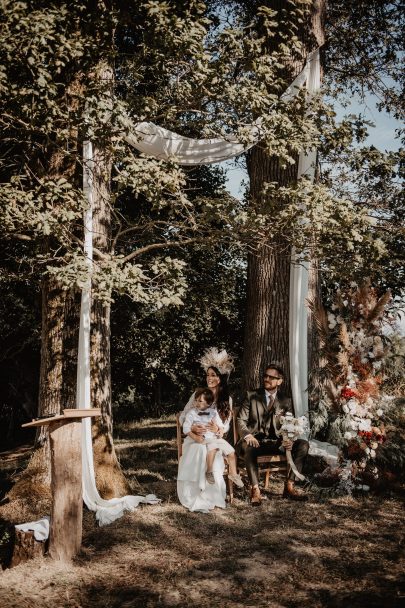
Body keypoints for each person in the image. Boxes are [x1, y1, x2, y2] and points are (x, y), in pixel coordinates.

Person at [236, 363, 309, 505]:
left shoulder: (285, 400)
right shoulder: (251, 396)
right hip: (255, 441)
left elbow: (289, 424)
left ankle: (289, 486)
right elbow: (240, 420)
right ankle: (255, 490)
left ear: (279, 381)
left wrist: (289, 439)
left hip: (277, 442)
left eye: (271, 377)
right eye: (265, 376)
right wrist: (247, 435)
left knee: (303, 445)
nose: (267, 379)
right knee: (249, 447)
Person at [177, 348, 235, 512]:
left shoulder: (226, 400)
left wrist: (218, 428)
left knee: (211, 449)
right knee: (198, 448)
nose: (209, 378)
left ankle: (211, 494)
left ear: (221, 378)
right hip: (195, 437)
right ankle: (193, 493)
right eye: (208, 375)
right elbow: (183, 417)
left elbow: (226, 427)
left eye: (214, 375)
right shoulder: (198, 394)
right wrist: (193, 428)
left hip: (214, 439)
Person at [182, 387, 243, 487]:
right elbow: (185, 428)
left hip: (215, 437)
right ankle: (209, 471)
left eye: (200, 401)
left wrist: (219, 429)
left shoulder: (213, 412)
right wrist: (195, 437)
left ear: (209, 403)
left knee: (231, 451)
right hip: (204, 438)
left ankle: (233, 474)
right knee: (213, 448)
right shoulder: (191, 413)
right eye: (196, 400)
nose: (197, 403)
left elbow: (220, 425)